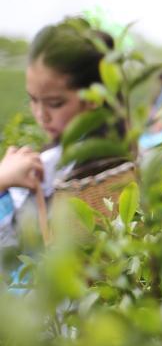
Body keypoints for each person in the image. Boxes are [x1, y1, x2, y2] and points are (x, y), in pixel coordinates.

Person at [0, 17, 113, 254]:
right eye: (33, 99)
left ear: (93, 97)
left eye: (55, 103)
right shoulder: (53, 160)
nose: (41, 115)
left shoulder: (100, 179)